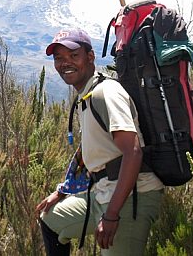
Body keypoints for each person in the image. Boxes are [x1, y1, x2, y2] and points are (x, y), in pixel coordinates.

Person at [35, 28, 164, 256]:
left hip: (132, 195)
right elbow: (93, 150)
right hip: (102, 191)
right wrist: (63, 192)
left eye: (74, 56)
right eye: (59, 58)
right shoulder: (87, 95)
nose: (66, 64)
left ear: (90, 57)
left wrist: (112, 214)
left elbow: (133, 152)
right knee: (50, 218)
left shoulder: (105, 93)